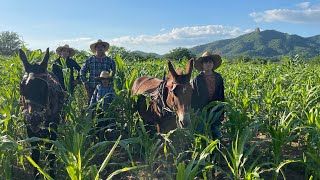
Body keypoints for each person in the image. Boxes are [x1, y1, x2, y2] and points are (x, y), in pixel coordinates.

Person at [191, 51, 225, 140]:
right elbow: (194, 96)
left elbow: (221, 94)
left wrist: (222, 111)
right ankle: (203, 150)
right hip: (201, 110)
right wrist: (195, 112)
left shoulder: (218, 77)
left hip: (215, 109)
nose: (208, 64)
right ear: (202, 65)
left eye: (210, 62)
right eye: (206, 62)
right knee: (201, 132)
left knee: (216, 131)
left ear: (213, 64)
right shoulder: (197, 79)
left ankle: (217, 150)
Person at [80, 39, 116, 104]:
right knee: (91, 105)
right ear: (95, 49)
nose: (100, 48)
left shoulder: (109, 60)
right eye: (98, 47)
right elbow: (82, 71)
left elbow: (114, 71)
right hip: (92, 87)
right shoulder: (90, 60)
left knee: (106, 106)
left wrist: (110, 80)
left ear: (104, 48)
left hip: (106, 88)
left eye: (101, 47)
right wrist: (85, 83)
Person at [89, 70, 116, 141]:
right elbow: (94, 97)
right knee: (98, 124)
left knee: (107, 125)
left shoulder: (111, 88)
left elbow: (114, 99)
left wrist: (114, 107)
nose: (105, 81)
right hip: (99, 110)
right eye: (103, 79)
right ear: (101, 80)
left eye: (106, 79)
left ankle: (106, 139)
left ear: (109, 80)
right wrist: (91, 106)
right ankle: (98, 138)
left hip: (108, 110)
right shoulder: (98, 87)